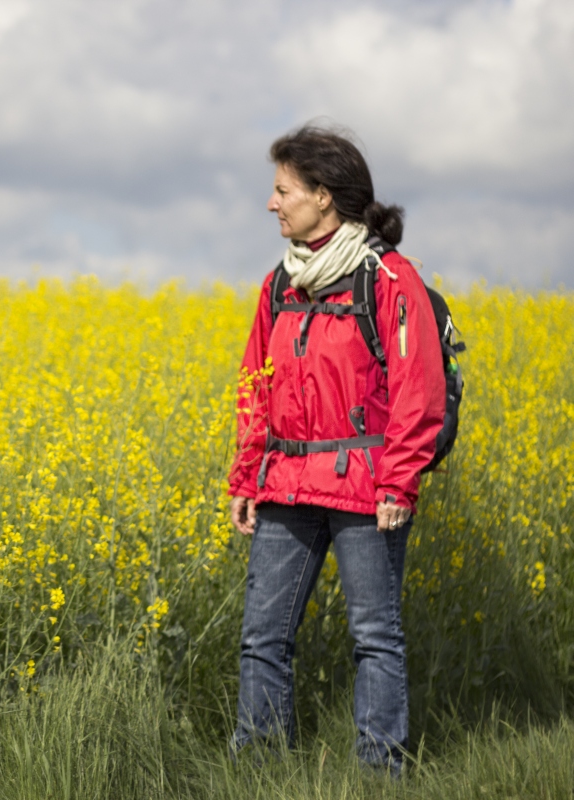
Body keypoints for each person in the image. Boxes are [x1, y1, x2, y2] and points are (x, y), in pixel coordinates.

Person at [226, 125, 445, 773]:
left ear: (323, 197)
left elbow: (419, 390)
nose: (272, 203)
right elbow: (254, 386)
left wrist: (399, 483)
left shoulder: (387, 278)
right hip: (286, 482)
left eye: (282, 190)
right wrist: (247, 477)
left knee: (375, 639)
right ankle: (260, 766)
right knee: (262, 638)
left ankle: (381, 772)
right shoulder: (279, 284)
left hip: (365, 487)